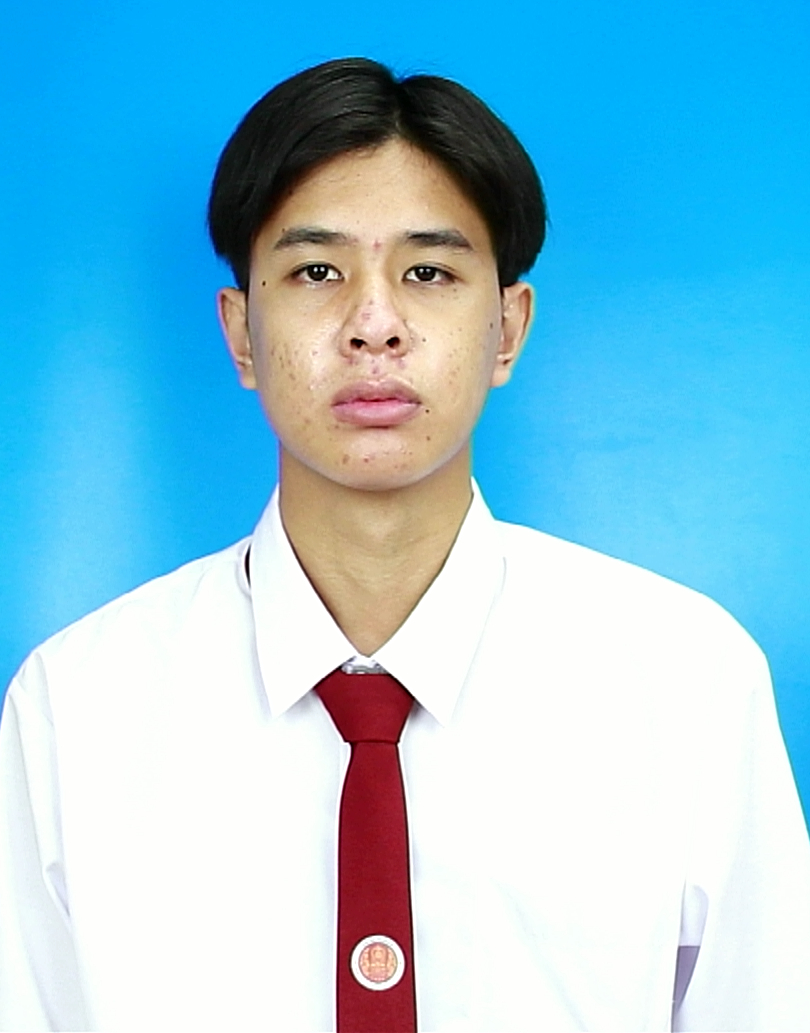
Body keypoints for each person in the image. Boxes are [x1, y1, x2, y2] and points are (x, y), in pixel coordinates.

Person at [1, 57, 808, 1033]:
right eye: (316, 272)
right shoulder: (76, 709)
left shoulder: (685, 684)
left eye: (428, 273)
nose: (374, 325)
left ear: (507, 329)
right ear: (242, 334)